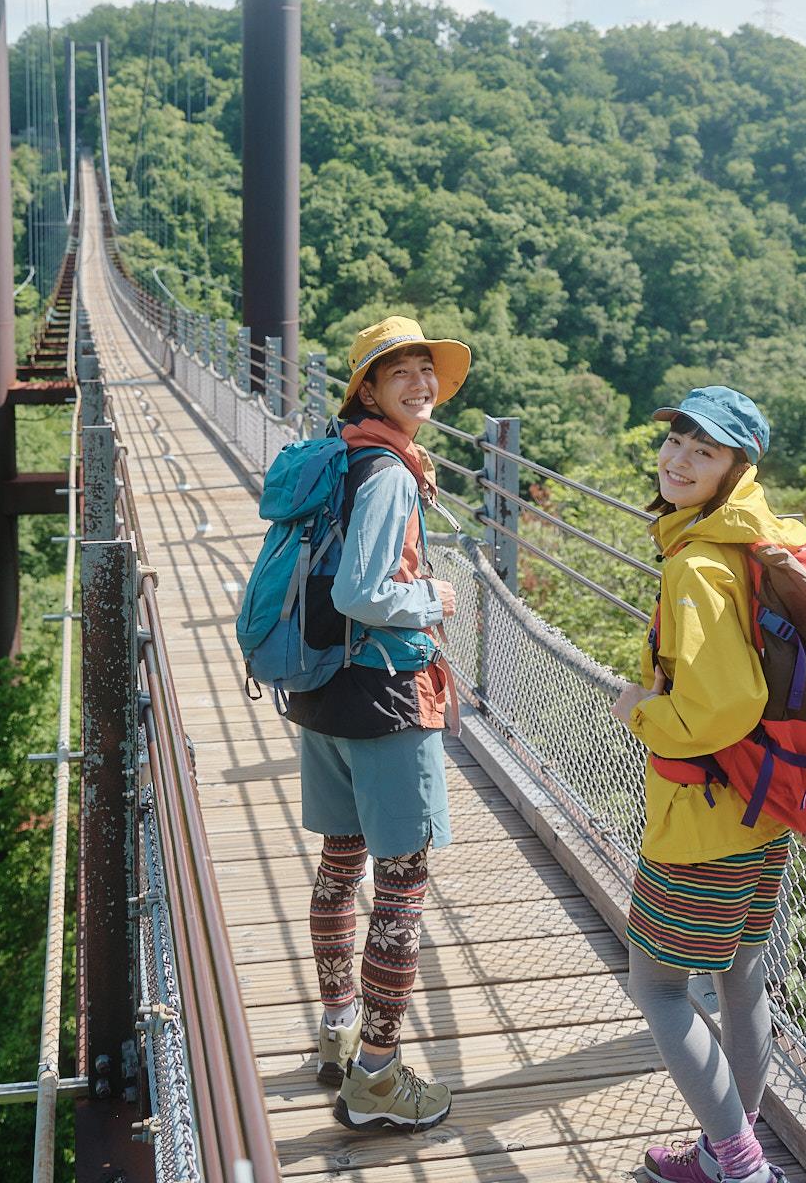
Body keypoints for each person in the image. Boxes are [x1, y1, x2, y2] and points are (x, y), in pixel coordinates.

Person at [609, 386, 806, 1183]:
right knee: (740, 973)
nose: (679, 460)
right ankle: (726, 1145)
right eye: (677, 441)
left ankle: (736, 1161)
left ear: (737, 467)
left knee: (655, 986)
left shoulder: (696, 565)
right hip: (765, 803)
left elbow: (724, 704)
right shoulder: (758, 539)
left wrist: (643, 714)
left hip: (707, 812)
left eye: (705, 451)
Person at [283, 315, 471, 1134]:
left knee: (338, 867)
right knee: (400, 891)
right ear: (368, 387)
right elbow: (363, 590)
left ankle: (337, 1030)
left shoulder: (342, 454)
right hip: (388, 698)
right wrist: (436, 600)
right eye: (401, 372)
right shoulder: (389, 473)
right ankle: (378, 1079)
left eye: (427, 371)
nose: (420, 384)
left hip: (323, 690)